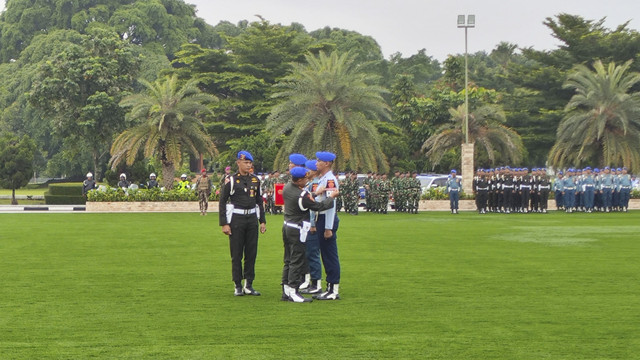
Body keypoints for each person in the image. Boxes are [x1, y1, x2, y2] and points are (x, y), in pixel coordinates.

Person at [281, 166, 339, 303]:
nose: (307, 181)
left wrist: (314, 194)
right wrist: (331, 197)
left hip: (287, 226)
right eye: (305, 179)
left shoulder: (287, 187)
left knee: (288, 260)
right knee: (297, 260)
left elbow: (303, 198)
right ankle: (294, 291)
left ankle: (286, 289)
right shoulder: (302, 195)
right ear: (300, 180)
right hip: (297, 229)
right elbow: (319, 207)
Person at [219, 151, 267, 296]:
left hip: (251, 219)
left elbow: (259, 201)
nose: (248, 165)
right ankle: (238, 284)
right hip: (237, 219)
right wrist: (224, 223)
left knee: (251, 253)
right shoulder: (231, 180)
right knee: (237, 253)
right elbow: (222, 201)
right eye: (245, 162)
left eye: (250, 163)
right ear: (238, 163)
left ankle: (249, 284)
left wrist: (262, 221)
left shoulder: (255, 180)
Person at [313, 151, 342, 300]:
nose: (316, 163)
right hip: (321, 218)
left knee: (330, 254)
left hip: (326, 219)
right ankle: (329, 287)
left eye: (319, 161)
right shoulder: (323, 179)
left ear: (327, 163)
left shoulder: (330, 180)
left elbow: (331, 205)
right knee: (325, 254)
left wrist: (328, 227)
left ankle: (333, 289)